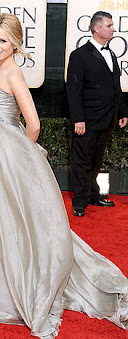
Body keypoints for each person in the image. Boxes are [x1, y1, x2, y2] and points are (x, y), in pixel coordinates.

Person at [0, 13, 127, 339]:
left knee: (24, 220)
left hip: (13, 158)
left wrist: (19, 155)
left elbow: (34, 123)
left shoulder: (13, 72)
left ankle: (31, 279)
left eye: (3, 40)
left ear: (14, 42)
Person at [67, 11, 127, 217]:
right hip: (87, 120)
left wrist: (122, 112)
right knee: (82, 161)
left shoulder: (111, 54)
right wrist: (78, 119)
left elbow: (115, 86)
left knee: (96, 161)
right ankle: (80, 201)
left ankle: (93, 195)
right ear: (96, 29)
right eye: (109, 26)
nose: (113, 29)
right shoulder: (79, 56)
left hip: (107, 119)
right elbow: (74, 91)